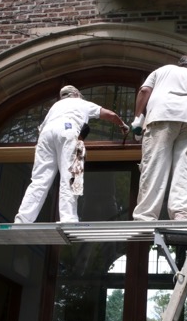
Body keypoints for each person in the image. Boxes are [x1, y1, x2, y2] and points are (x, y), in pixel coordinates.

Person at [14, 85, 128, 223]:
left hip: (45, 135)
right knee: (71, 176)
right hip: (68, 130)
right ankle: (68, 219)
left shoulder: (55, 107)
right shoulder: (81, 102)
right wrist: (122, 125)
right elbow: (110, 115)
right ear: (76, 94)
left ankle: (23, 219)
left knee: (39, 180)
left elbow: (43, 130)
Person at [131, 55, 187, 221]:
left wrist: (138, 116)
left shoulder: (163, 70)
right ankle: (181, 213)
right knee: (186, 166)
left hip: (163, 112)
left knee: (155, 163)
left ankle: (146, 215)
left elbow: (144, 91)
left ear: (180, 64)